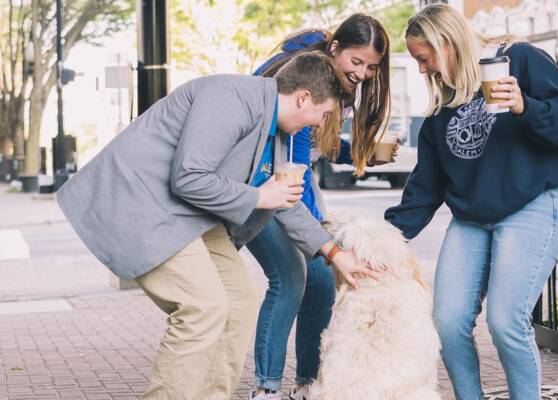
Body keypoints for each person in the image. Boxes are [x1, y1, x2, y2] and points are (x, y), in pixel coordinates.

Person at [56, 52, 378, 400]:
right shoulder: (231, 98)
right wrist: (258, 197)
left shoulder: (279, 134)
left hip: (188, 215)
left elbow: (285, 200)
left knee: (238, 303)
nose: (320, 123)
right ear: (303, 98)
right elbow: (188, 177)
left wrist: (334, 252)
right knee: (203, 307)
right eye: (324, 113)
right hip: (143, 205)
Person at [385, 4, 558, 400]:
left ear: (447, 43)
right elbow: (424, 190)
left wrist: (524, 106)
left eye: (424, 59)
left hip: (535, 203)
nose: (422, 70)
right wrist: (380, 241)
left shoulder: (520, 61)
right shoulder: (441, 113)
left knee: (505, 321)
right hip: (473, 218)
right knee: (448, 322)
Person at [246, 15, 393, 400]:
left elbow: (316, 142)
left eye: (371, 66)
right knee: (291, 278)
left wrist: (356, 153)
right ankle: (267, 389)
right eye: (356, 62)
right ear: (334, 50)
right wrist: (321, 238)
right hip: (260, 187)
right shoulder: (304, 81)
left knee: (321, 280)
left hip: (289, 187)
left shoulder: (336, 84)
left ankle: (308, 384)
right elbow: (292, 166)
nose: (362, 73)